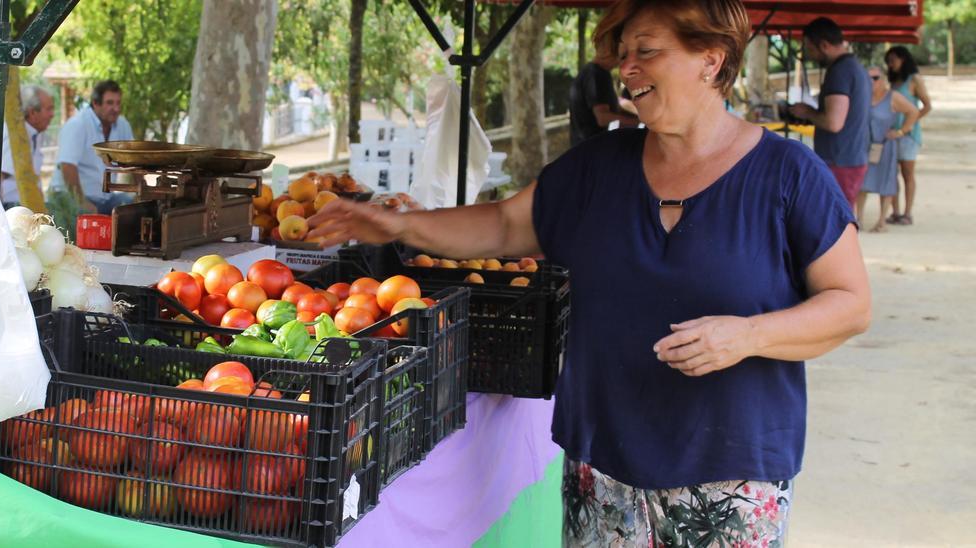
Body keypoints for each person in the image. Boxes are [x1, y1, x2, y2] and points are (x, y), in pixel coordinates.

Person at [309, 0, 871, 544]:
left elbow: (850, 304)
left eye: (647, 51)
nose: (627, 69)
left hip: (732, 477)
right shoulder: (597, 168)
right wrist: (398, 225)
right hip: (603, 471)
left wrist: (750, 335)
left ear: (711, 59)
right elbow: (504, 226)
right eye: (623, 54)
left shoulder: (789, 175)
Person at [787, 17, 871, 207]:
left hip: (839, 160)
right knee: (844, 216)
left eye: (810, 49)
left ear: (824, 45)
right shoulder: (856, 67)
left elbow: (834, 123)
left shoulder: (840, 71)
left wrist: (806, 112)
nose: (810, 55)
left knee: (835, 220)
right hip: (851, 157)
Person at [57, 80, 135, 214]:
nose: (116, 109)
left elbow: (134, 159)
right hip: (72, 198)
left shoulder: (122, 124)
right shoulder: (77, 124)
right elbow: (67, 166)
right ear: (95, 103)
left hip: (106, 198)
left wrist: (144, 194)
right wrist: (81, 202)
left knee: (132, 208)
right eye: (110, 103)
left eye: (118, 103)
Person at [858, 66, 920, 233]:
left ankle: (881, 221)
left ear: (883, 79)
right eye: (868, 78)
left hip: (885, 144)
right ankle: (859, 219)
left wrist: (901, 131)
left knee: (886, 181)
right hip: (864, 144)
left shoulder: (893, 97)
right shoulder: (862, 96)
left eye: (876, 78)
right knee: (862, 181)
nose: (872, 81)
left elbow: (913, 111)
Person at [884, 46, 932, 226]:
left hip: (907, 135)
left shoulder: (914, 80)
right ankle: (895, 211)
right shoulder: (894, 81)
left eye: (892, 60)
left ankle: (907, 212)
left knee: (907, 174)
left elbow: (927, 105)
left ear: (903, 59)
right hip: (891, 134)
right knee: (891, 173)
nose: (890, 64)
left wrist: (908, 125)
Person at [0, 85, 54, 209]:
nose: (52, 114)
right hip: (11, 208)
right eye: (49, 109)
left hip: (26, 206)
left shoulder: (35, 134)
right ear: (32, 112)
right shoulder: (15, 135)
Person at [569, 54, 640, 146]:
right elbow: (602, 118)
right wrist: (638, 121)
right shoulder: (598, 74)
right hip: (592, 147)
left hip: (582, 146)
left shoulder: (588, 71)